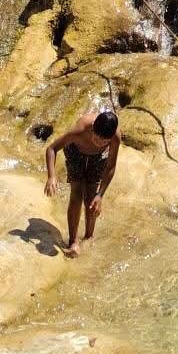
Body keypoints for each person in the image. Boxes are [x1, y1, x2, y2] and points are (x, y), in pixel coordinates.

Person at [44, 108, 121, 257]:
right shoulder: (80, 130)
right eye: (97, 139)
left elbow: (111, 166)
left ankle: (89, 236)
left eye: (105, 142)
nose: (100, 143)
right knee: (77, 193)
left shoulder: (115, 137)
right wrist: (51, 176)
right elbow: (52, 148)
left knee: (92, 198)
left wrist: (100, 195)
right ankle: (73, 241)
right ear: (92, 129)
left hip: (98, 157)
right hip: (75, 151)